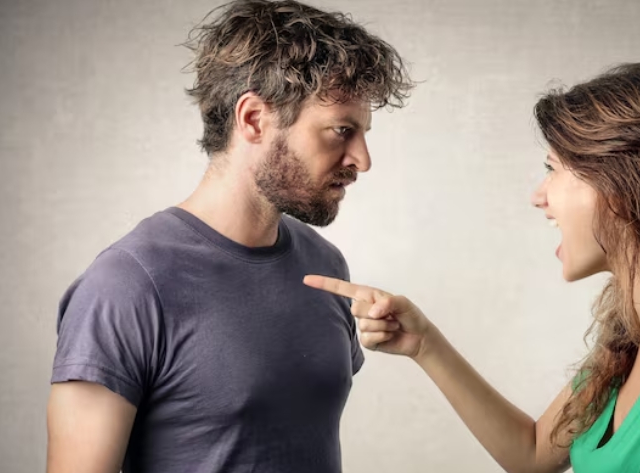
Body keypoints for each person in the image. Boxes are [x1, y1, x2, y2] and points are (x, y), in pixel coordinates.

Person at [304, 63, 640, 473]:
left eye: (555, 168)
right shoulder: (632, 339)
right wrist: (424, 343)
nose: (539, 196)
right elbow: (532, 454)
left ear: (625, 185)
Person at [46, 1, 412, 472]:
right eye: (342, 131)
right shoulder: (126, 285)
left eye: (362, 133)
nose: (362, 159)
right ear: (254, 119)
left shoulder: (325, 265)